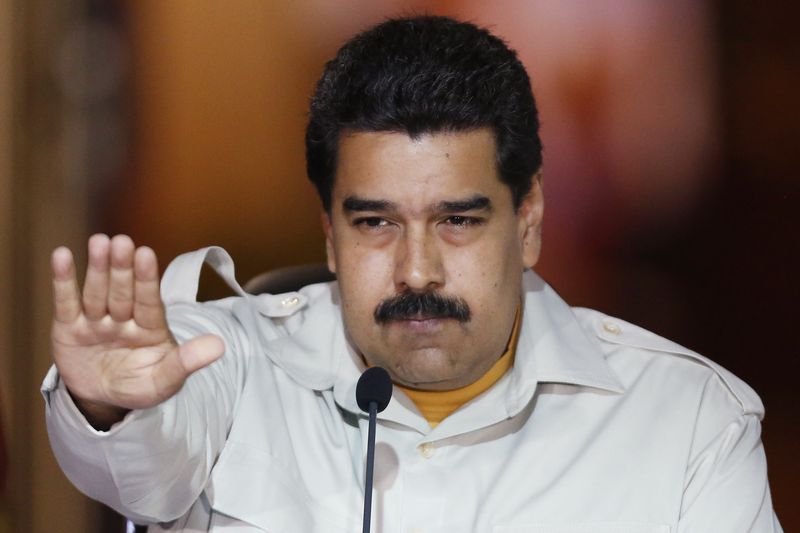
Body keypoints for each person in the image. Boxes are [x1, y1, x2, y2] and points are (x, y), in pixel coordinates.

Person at [43, 16, 781, 532]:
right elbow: (140, 464)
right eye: (376, 223)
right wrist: (110, 409)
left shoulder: (689, 423)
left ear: (528, 222)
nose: (416, 269)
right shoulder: (225, 368)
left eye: (458, 220)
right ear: (329, 236)